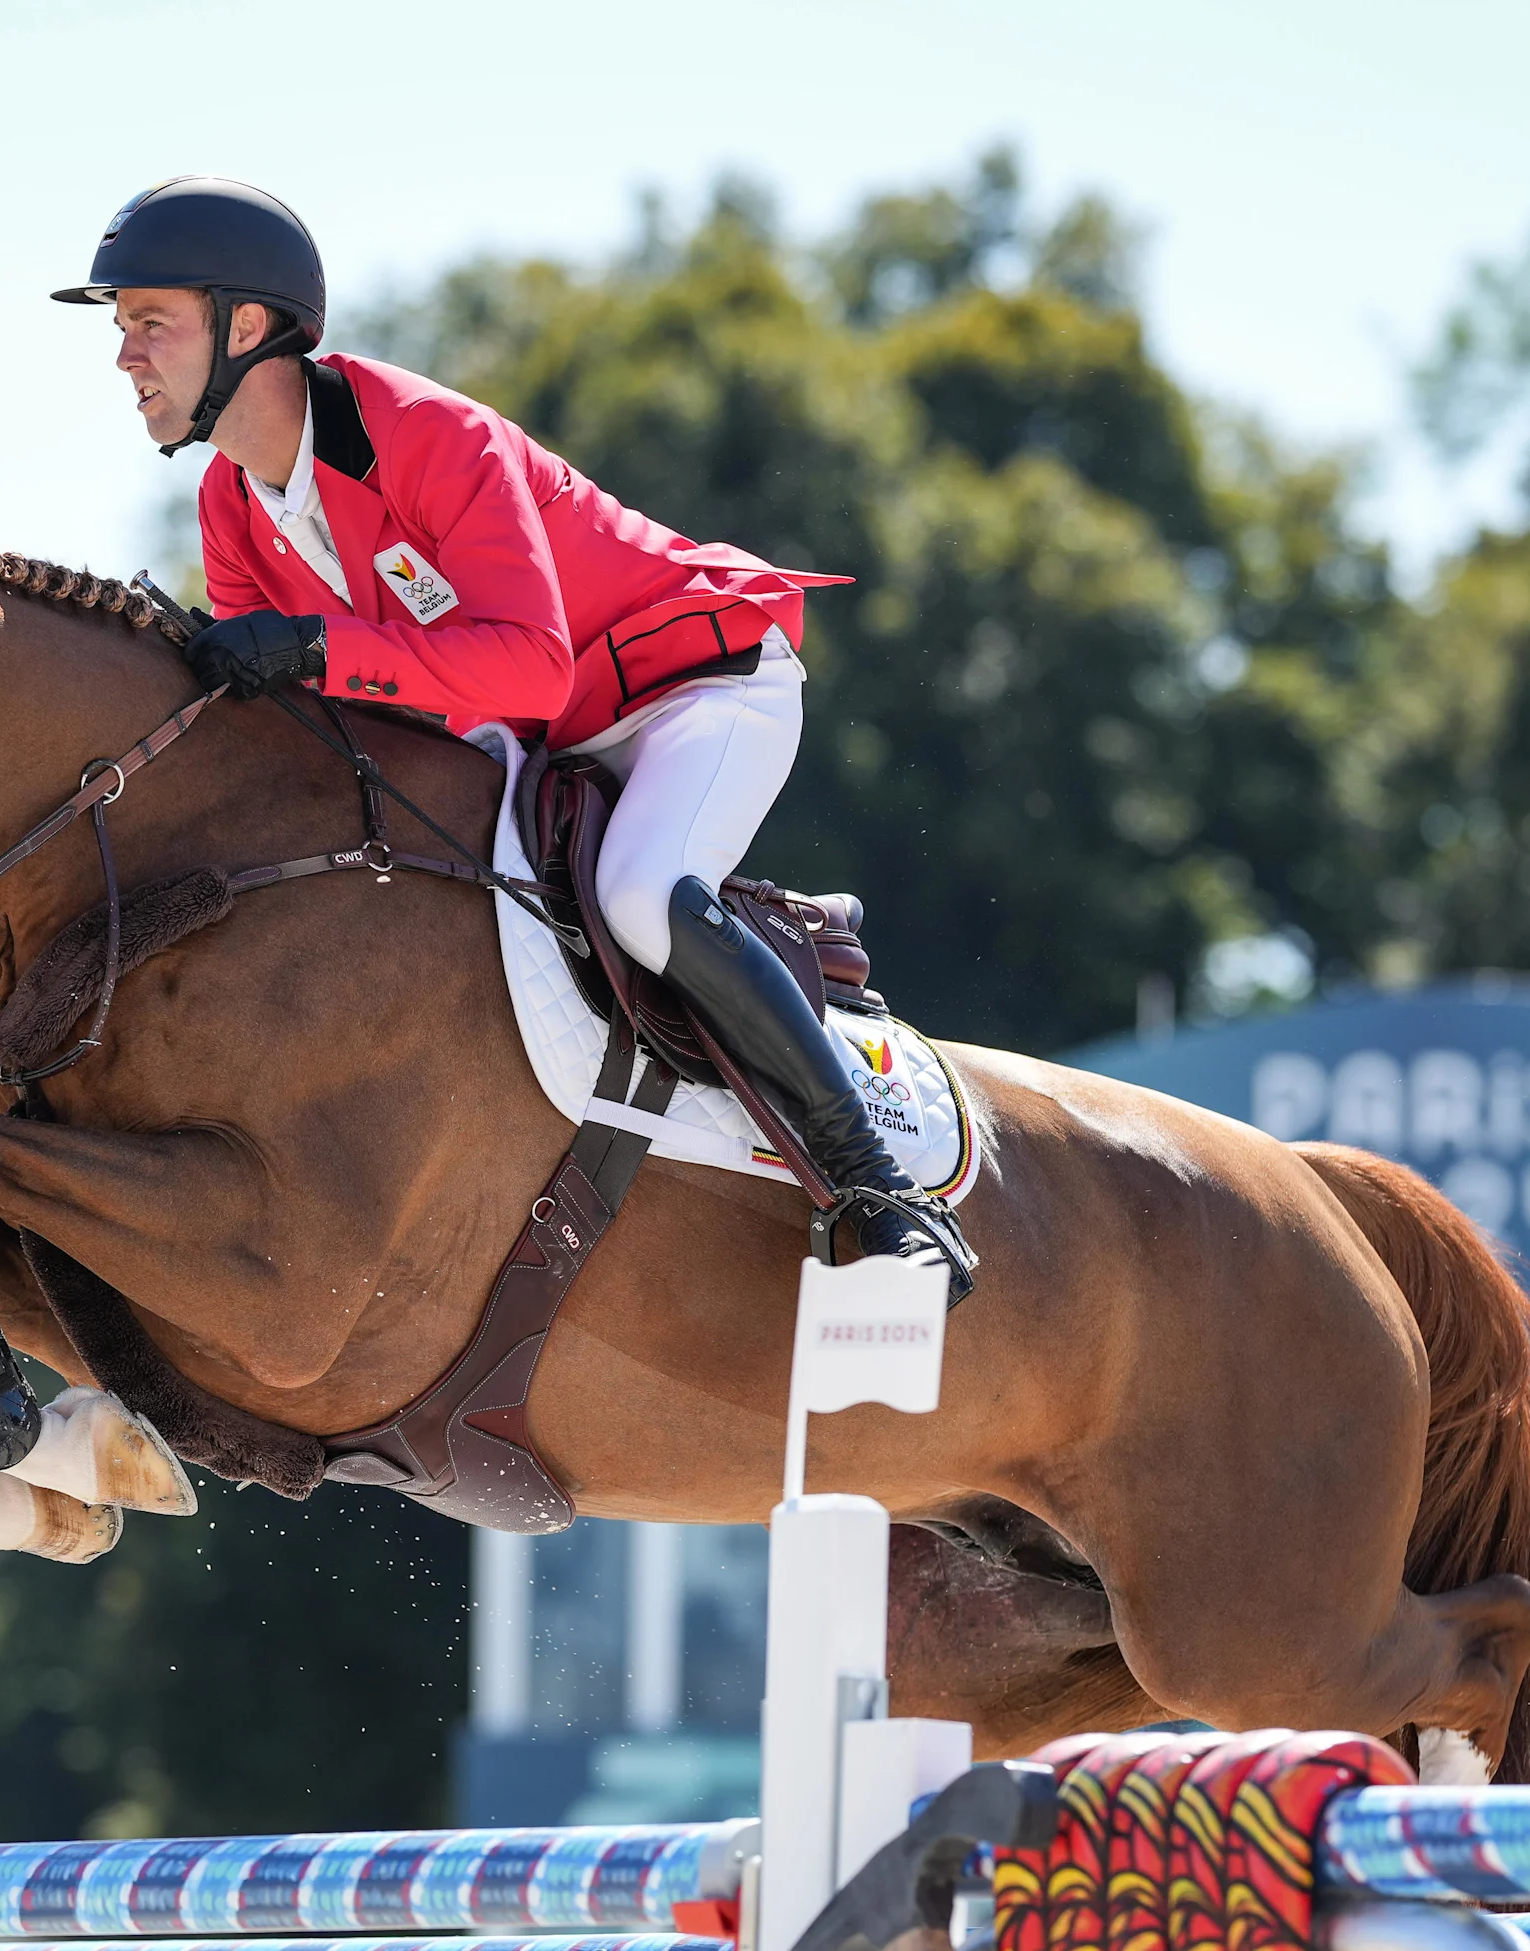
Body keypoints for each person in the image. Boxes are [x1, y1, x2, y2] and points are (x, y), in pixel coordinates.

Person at [57, 176, 974, 1296]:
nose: (124, 356)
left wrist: (316, 648)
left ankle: (881, 1192)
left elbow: (529, 666)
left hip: (696, 688)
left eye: (150, 322)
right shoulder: (231, 504)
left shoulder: (430, 437)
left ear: (247, 328)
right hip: (537, 745)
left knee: (641, 895)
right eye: (121, 328)